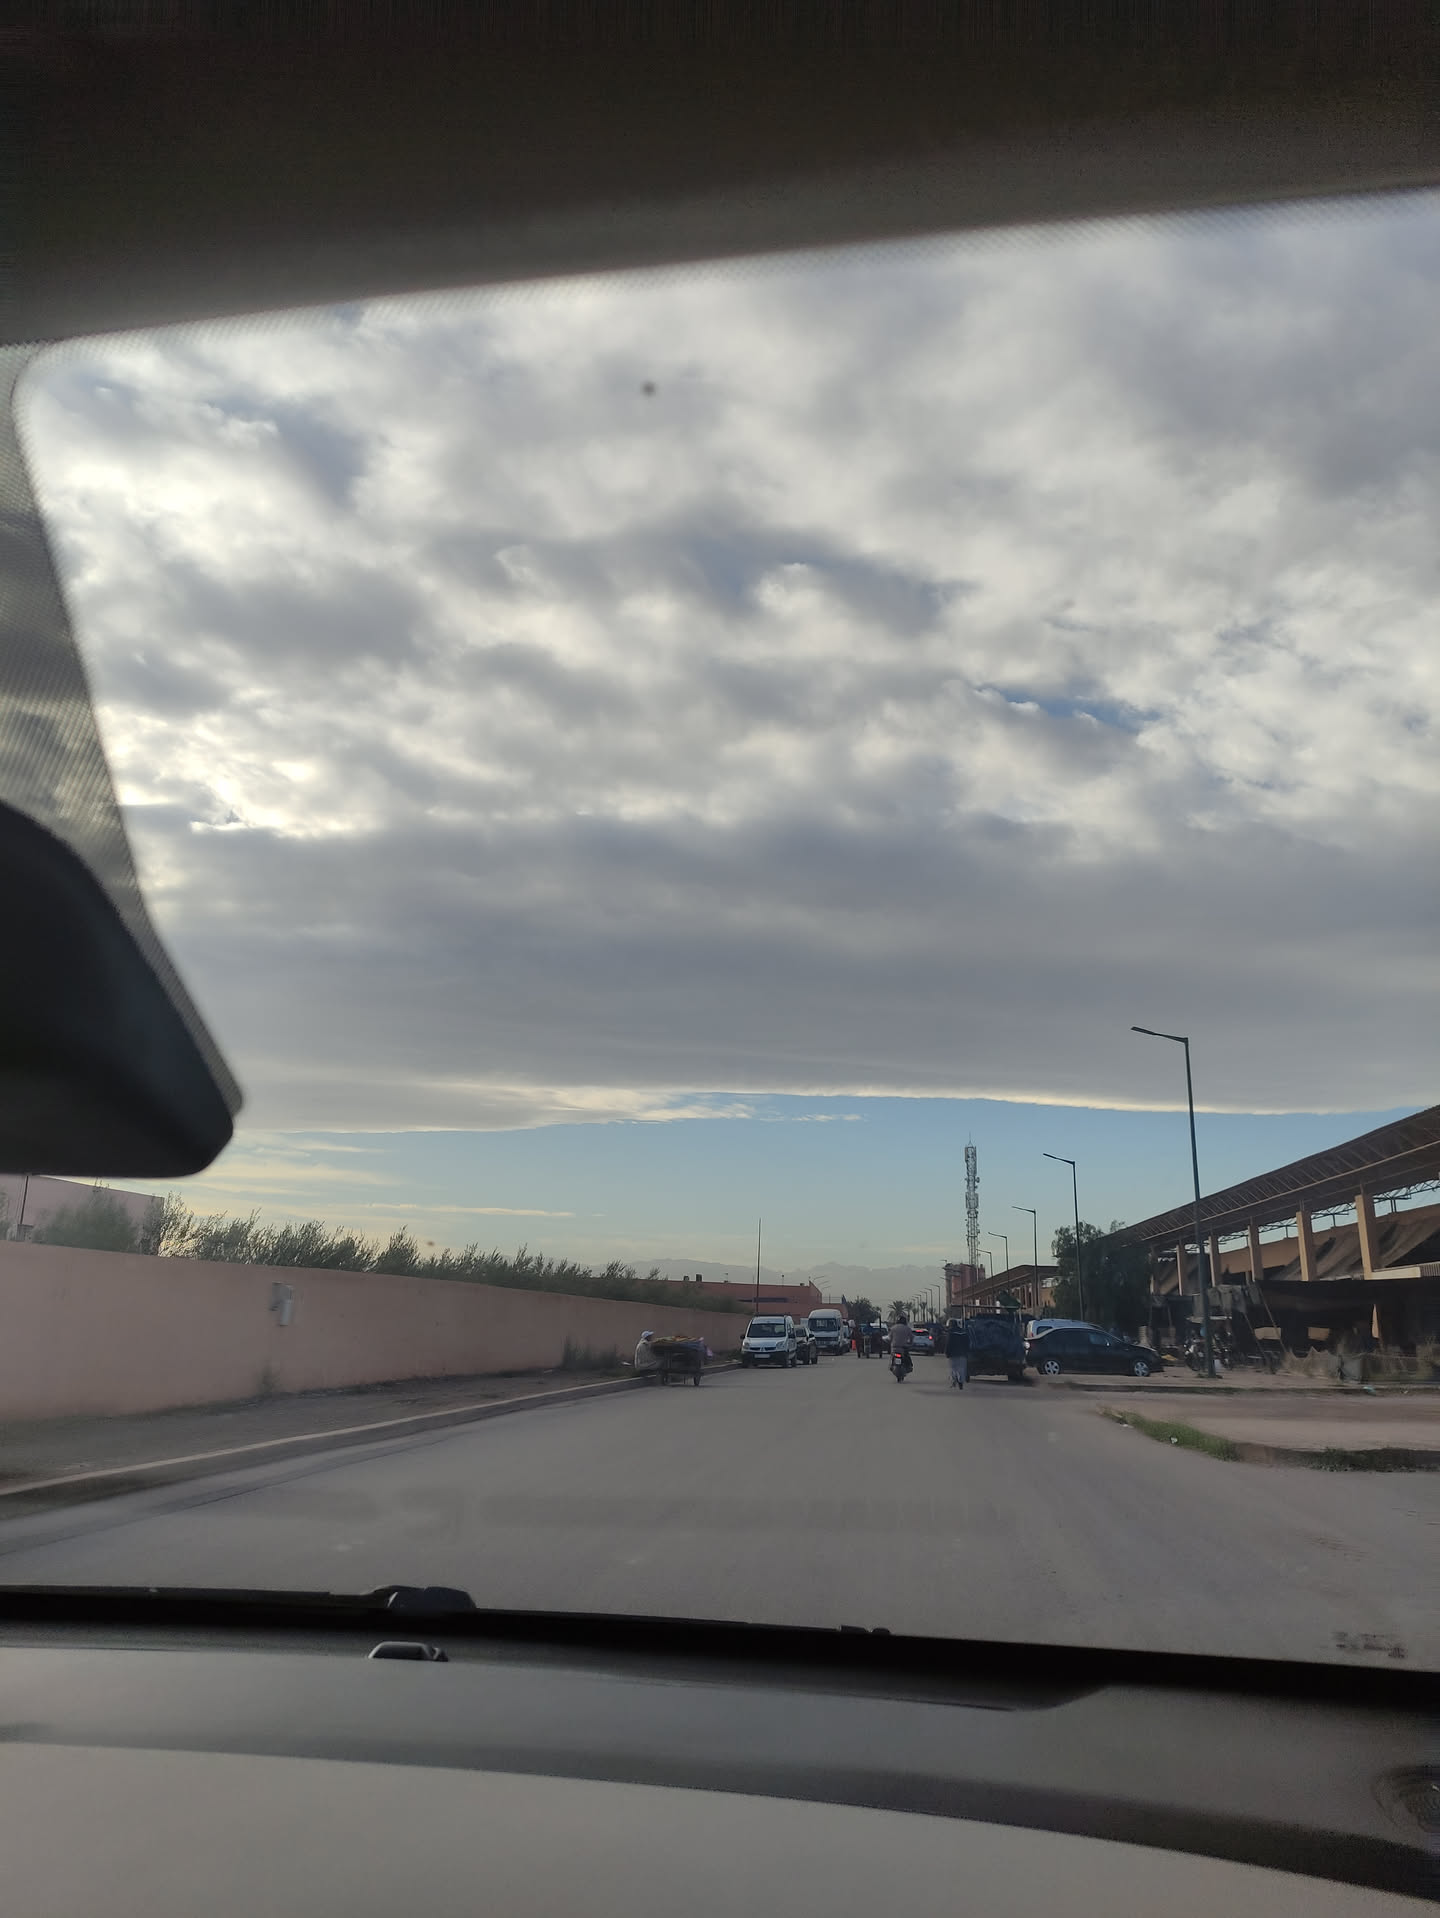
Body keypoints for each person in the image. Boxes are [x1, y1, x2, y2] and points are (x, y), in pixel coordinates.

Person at [945, 1318, 970, 1389]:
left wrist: (947, 1352)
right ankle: (960, 1381)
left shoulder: (950, 1333)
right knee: (961, 1368)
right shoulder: (963, 1332)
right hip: (963, 1354)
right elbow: (968, 1343)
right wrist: (967, 1352)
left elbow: (948, 1343)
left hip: (953, 1354)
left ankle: (954, 1381)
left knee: (953, 1368)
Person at [888, 1313, 914, 1377]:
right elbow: (911, 1337)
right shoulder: (907, 1328)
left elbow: (890, 1338)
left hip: (894, 1347)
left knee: (892, 1357)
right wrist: (910, 1343)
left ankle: (891, 1365)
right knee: (907, 1358)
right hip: (903, 1347)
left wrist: (891, 1342)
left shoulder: (893, 1328)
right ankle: (909, 1366)